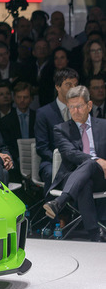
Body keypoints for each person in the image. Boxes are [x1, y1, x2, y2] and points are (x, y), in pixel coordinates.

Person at [43, 85, 106, 241]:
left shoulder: (104, 126)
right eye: (71, 107)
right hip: (71, 177)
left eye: (79, 106)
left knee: (91, 166)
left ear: (89, 105)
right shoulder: (61, 129)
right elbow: (70, 154)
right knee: (87, 173)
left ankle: (59, 202)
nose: (75, 111)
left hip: (101, 177)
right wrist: (96, 160)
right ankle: (94, 233)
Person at [35, 68, 79, 189]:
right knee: (51, 173)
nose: (73, 89)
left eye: (75, 85)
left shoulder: (81, 110)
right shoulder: (44, 113)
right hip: (52, 160)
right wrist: (62, 159)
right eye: (68, 85)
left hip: (77, 160)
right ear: (57, 87)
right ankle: (50, 202)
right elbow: (42, 147)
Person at [0, 81, 36, 164]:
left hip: (36, 157)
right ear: (14, 98)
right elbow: (6, 145)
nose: (22, 100)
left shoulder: (38, 117)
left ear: (31, 98)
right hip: (15, 160)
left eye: (25, 97)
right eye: (19, 97)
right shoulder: (6, 120)